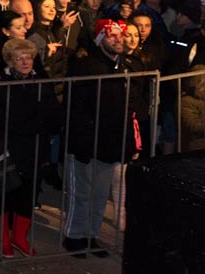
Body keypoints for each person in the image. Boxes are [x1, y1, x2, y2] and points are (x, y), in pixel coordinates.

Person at [63, 18, 141, 258]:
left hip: (111, 142)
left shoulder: (125, 67)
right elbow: (75, 107)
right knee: (82, 192)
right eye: (112, 35)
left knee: (99, 194)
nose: (118, 39)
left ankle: (91, 235)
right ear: (100, 39)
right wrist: (80, 140)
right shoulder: (85, 66)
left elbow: (131, 107)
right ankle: (74, 236)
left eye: (121, 35)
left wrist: (128, 143)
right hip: (87, 142)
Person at [0, 37, 59, 258]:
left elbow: (53, 110)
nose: (25, 62)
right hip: (9, 146)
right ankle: (3, 238)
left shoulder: (40, 81)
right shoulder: (1, 83)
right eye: (19, 58)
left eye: (28, 57)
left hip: (35, 145)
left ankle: (19, 237)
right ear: (10, 61)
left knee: (28, 193)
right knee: (5, 194)